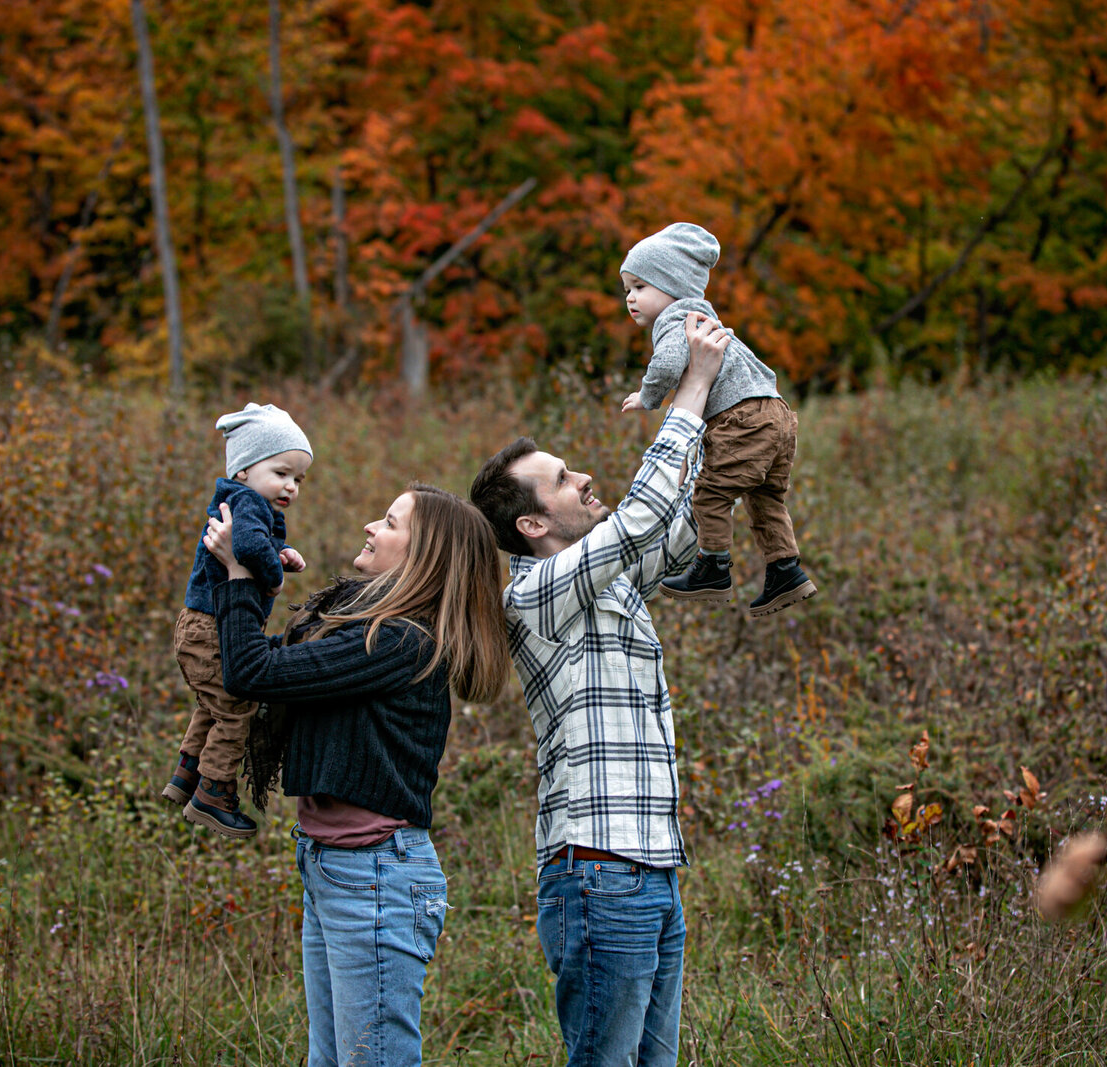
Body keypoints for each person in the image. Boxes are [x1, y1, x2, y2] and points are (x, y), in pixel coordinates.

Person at [468, 314, 729, 1067]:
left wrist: (728, 413)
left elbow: (680, 531)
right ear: (533, 521)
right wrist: (690, 389)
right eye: (563, 479)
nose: (586, 478)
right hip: (598, 872)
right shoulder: (537, 592)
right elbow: (643, 514)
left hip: (651, 868)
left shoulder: (605, 583)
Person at [202, 483, 508, 1067]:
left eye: (389, 522)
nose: (371, 525)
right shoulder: (364, 626)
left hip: (374, 875)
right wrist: (250, 573)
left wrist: (242, 577)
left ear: (424, 557)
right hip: (334, 864)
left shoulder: (399, 642)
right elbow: (274, 667)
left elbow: (251, 670)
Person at [619, 221, 815, 617]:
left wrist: (648, 395)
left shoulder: (675, 319)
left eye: (640, 287)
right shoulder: (706, 316)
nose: (630, 298)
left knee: (709, 494)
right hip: (776, 414)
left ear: (672, 284)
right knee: (764, 498)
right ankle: (785, 569)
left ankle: (713, 567)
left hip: (742, 418)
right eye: (626, 290)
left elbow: (669, 362)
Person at [163, 402, 312, 839]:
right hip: (211, 627)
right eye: (282, 473)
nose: (291, 486)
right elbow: (246, 547)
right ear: (244, 469)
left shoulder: (244, 501)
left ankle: (186, 774)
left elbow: (251, 545)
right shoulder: (247, 503)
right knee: (236, 708)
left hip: (197, 625)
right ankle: (214, 791)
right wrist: (273, 577)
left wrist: (279, 557)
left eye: (298, 479)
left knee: (212, 703)